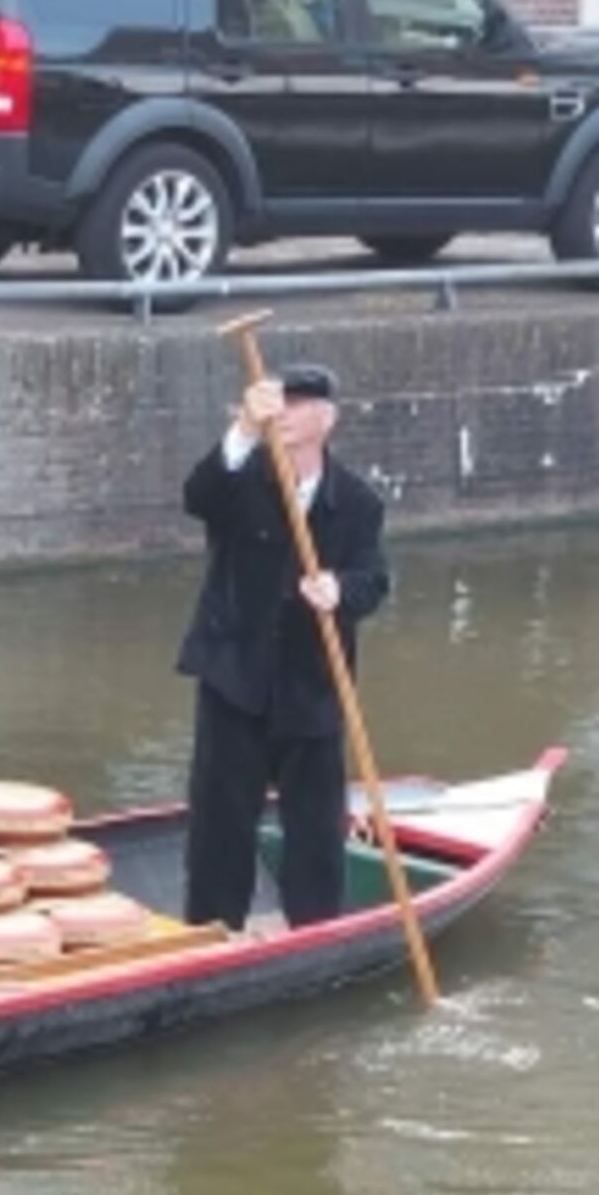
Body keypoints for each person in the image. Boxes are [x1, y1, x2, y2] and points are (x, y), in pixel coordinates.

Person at [176, 363, 390, 932]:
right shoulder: (241, 481)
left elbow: (373, 580)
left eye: (298, 404)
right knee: (221, 825)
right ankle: (213, 932)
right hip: (234, 680)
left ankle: (314, 935)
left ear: (327, 418)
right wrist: (244, 429)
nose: (285, 413)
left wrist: (340, 590)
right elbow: (197, 496)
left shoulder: (358, 501)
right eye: (279, 402)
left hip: (312, 686)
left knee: (316, 831)